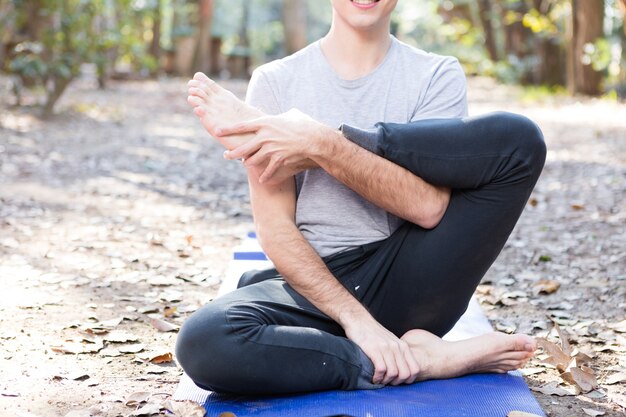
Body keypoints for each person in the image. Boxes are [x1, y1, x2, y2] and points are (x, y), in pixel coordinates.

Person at [176, 0, 546, 395]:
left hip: (410, 281)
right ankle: (420, 362)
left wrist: (323, 143)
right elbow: (275, 227)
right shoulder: (274, 81)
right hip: (313, 288)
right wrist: (358, 322)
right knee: (204, 339)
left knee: (519, 140)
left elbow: (428, 207)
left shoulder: (436, 75)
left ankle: (392, 347)